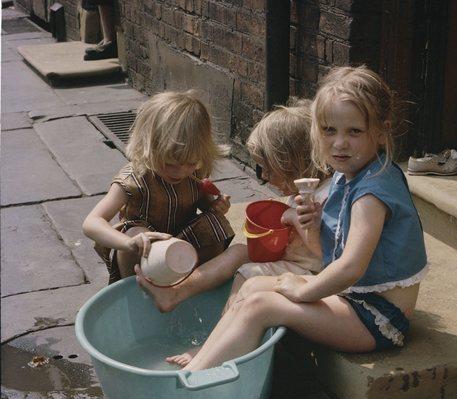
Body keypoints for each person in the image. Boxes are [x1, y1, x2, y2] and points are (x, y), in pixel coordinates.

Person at [167, 65, 428, 371]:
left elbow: (351, 267)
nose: (339, 143)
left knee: (261, 305)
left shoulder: (371, 193)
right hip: (353, 300)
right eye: (329, 130)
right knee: (252, 287)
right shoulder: (351, 174)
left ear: (381, 133)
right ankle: (206, 357)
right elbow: (325, 255)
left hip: (377, 318)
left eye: (354, 131)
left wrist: (303, 290)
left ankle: (190, 383)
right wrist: (315, 227)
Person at [134, 98, 331, 319]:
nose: (264, 177)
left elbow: (325, 253)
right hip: (292, 260)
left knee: (248, 274)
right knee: (239, 251)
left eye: (268, 169)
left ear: (291, 163)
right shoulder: (301, 194)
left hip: (310, 273)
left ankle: (221, 334)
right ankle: (176, 293)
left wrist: (294, 218)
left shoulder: (323, 199)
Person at [82, 90, 234, 284]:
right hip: (142, 252)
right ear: (149, 147)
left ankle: (197, 285)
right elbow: (91, 223)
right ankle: (135, 294)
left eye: (190, 163)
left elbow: (205, 205)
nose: (179, 171)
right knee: (138, 234)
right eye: (169, 163)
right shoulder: (134, 179)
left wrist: (216, 206)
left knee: (214, 224)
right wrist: (128, 243)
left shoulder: (194, 173)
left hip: (181, 248)